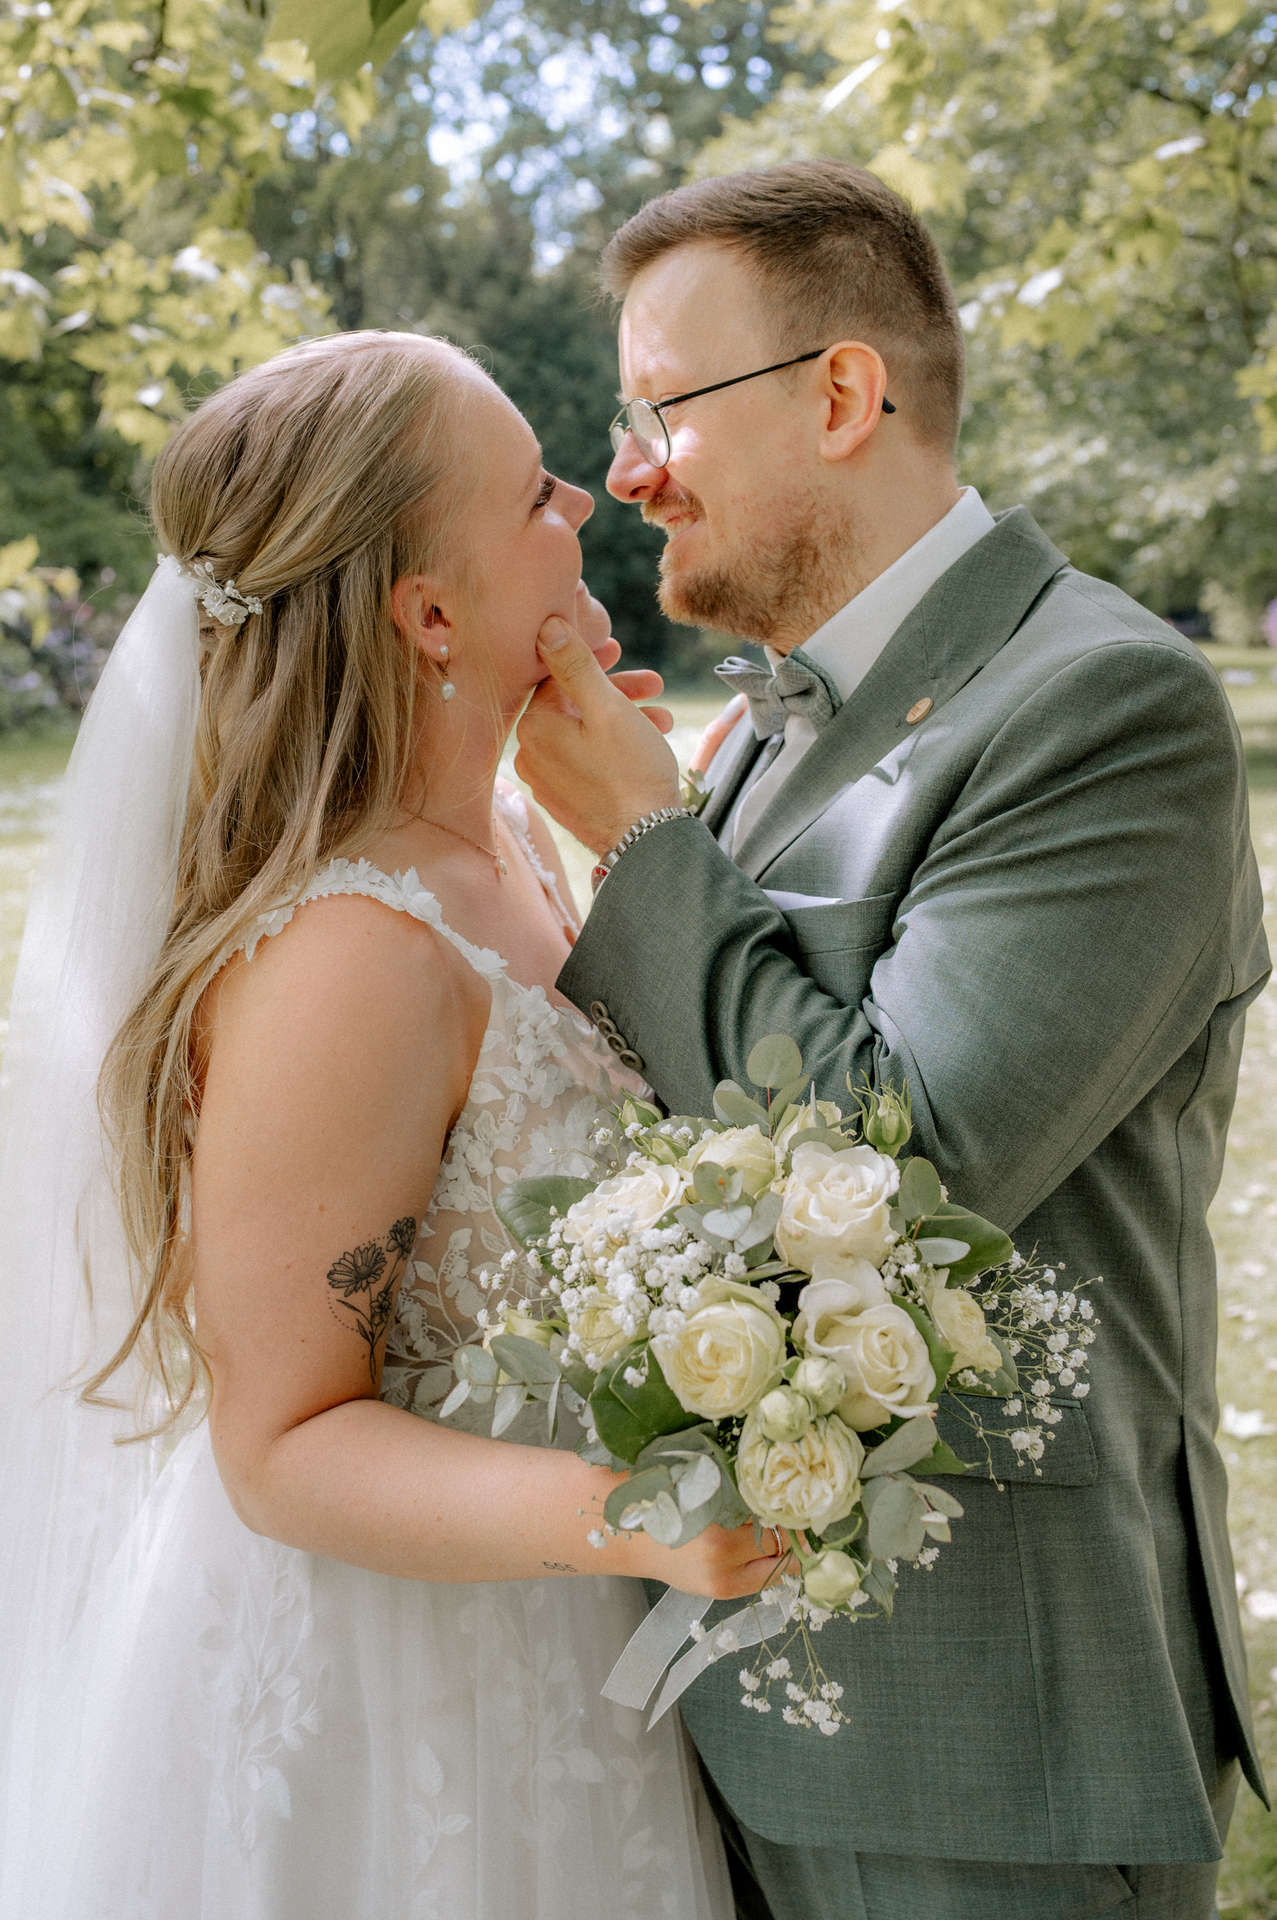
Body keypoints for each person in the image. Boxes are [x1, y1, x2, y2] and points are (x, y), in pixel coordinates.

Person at [514, 161, 1271, 1920]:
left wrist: (638, 839)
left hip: (990, 1724)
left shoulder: (1101, 703)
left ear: (842, 395)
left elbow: (908, 1161)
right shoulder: (772, 722)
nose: (628, 474)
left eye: (660, 412)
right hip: (734, 1685)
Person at [0, 329, 777, 1918]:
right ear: (430, 615)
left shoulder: (506, 839)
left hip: (557, 1633)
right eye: (536, 492)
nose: (587, 501)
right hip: (402, 1698)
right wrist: (632, 1518)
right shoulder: (350, 956)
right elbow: (281, 1445)